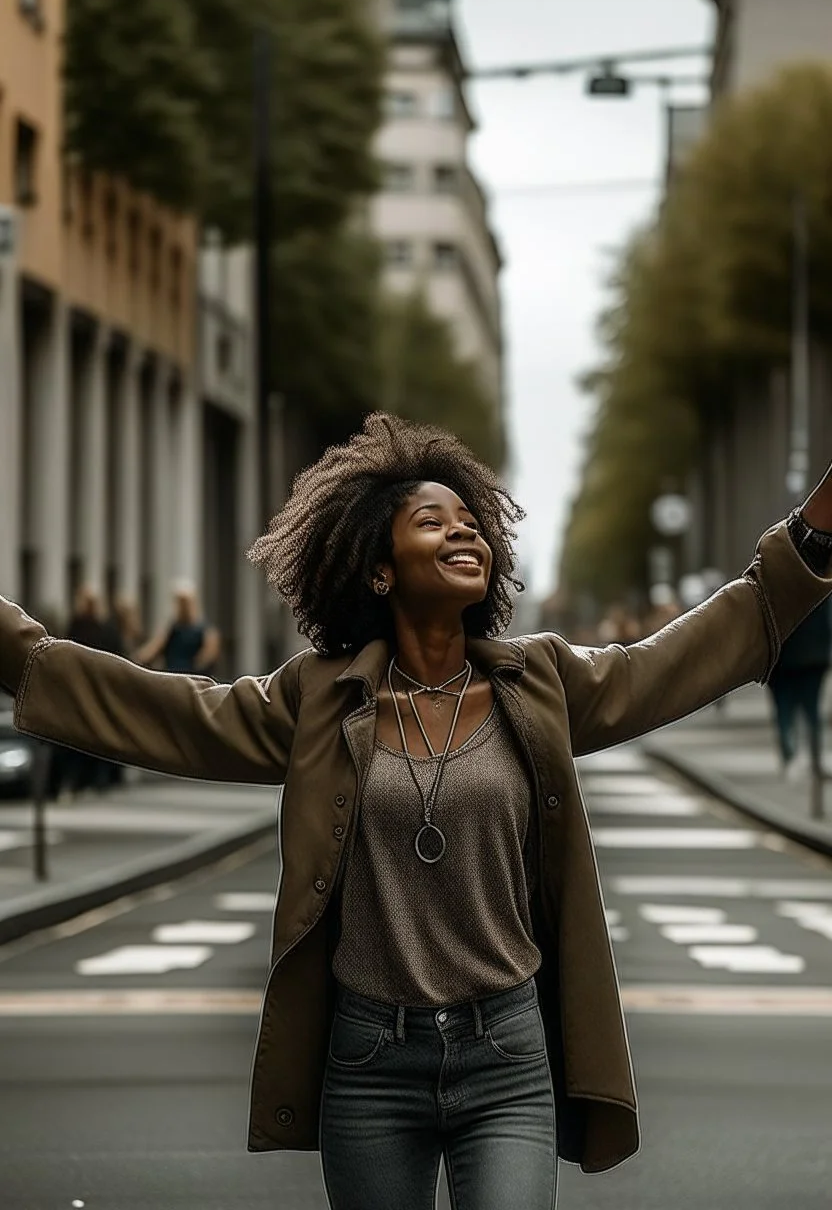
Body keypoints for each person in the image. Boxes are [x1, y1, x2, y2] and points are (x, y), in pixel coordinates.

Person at [2, 412, 832, 1210]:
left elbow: (680, 658)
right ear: (379, 568)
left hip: (506, 1053)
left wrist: (812, 538)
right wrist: (17, 651)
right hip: (369, 1062)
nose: (465, 532)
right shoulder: (319, 699)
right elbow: (171, 713)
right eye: (434, 522)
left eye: (473, 522)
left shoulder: (538, 682)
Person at [55, 584, 125, 795]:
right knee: (79, 738)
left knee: (94, 736)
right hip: (80, 689)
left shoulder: (104, 629)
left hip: (95, 689)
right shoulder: (78, 625)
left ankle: (93, 780)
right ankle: (78, 781)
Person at [767, 596, 832, 779]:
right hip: (813, 658)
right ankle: (815, 760)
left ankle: (791, 758)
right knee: (811, 711)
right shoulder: (823, 583)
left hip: (785, 660)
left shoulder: (781, 585)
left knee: (785, 709)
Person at [133, 581, 221, 675]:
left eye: (186, 603)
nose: (183, 607)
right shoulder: (171, 630)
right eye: (180, 603)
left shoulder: (205, 631)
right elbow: (151, 651)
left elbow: (208, 656)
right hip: (172, 676)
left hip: (194, 678)